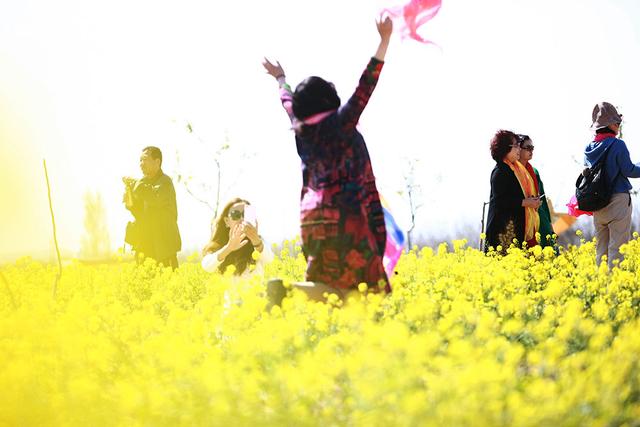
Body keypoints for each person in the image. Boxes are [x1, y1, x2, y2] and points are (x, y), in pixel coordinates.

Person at [262, 16, 393, 300]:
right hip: (348, 216)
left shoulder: (301, 129)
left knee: (333, 290)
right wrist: (384, 41)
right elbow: (365, 87)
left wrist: (281, 78)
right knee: (369, 293)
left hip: (313, 218)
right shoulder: (341, 124)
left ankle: (287, 292)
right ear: (328, 99)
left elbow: (287, 102)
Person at [584, 102, 640, 267]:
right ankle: (615, 290)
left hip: (597, 204)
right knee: (618, 249)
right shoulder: (618, 145)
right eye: (617, 123)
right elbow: (629, 170)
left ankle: (600, 287)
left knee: (601, 250)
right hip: (618, 202)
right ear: (610, 125)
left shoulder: (589, 148)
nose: (618, 126)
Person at [123, 146, 181, 269]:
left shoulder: (165, 182)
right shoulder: (143, 183)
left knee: (167, 284)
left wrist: (136, 185)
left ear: (157, 162)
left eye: (144, 160)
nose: (141, 164)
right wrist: (129, 197)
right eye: (140, 160)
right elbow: (139, 212)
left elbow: (155, 198)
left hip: (163, 249)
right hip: (145, 247)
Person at [485, 130, 542, 253]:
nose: (518, 149)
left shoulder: (515, 170)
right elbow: (500, 202)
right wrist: (525, 202)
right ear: (505, 148)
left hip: (514, 233)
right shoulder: (500, 171)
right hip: (502, 235)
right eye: (515, 146)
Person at [201, 198, 267, 276]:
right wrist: (229, 247)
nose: (242, 219)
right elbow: (207, 266)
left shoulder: (260, 243)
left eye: (246, 215)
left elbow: (270, 261)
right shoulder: (217, 246)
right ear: (227, 221)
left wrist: (257, 242)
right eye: (236, 214)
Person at [517, 134, 556, 249]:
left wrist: (549, 223)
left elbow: (542, 198)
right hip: (523, 218)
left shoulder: (534, 172)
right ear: (518, 149)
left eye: (532, 148)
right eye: (527, 148)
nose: (531, 151)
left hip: (540, 216)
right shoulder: (512, 172)